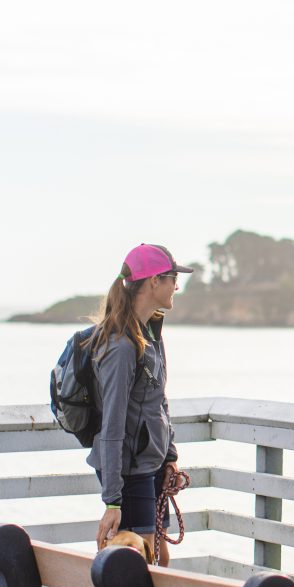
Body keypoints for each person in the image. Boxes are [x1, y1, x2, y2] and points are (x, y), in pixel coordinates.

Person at [89, 243, 194, 567]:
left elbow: (158, 402)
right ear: (153, 281)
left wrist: (169, 458)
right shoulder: (121, 346)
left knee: (159, 558)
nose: (177, 285)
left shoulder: (150, 334)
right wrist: (113, 502)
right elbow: (112, 425)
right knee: (141, 566)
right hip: (129, 472)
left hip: (150, 465)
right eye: (172, 278)